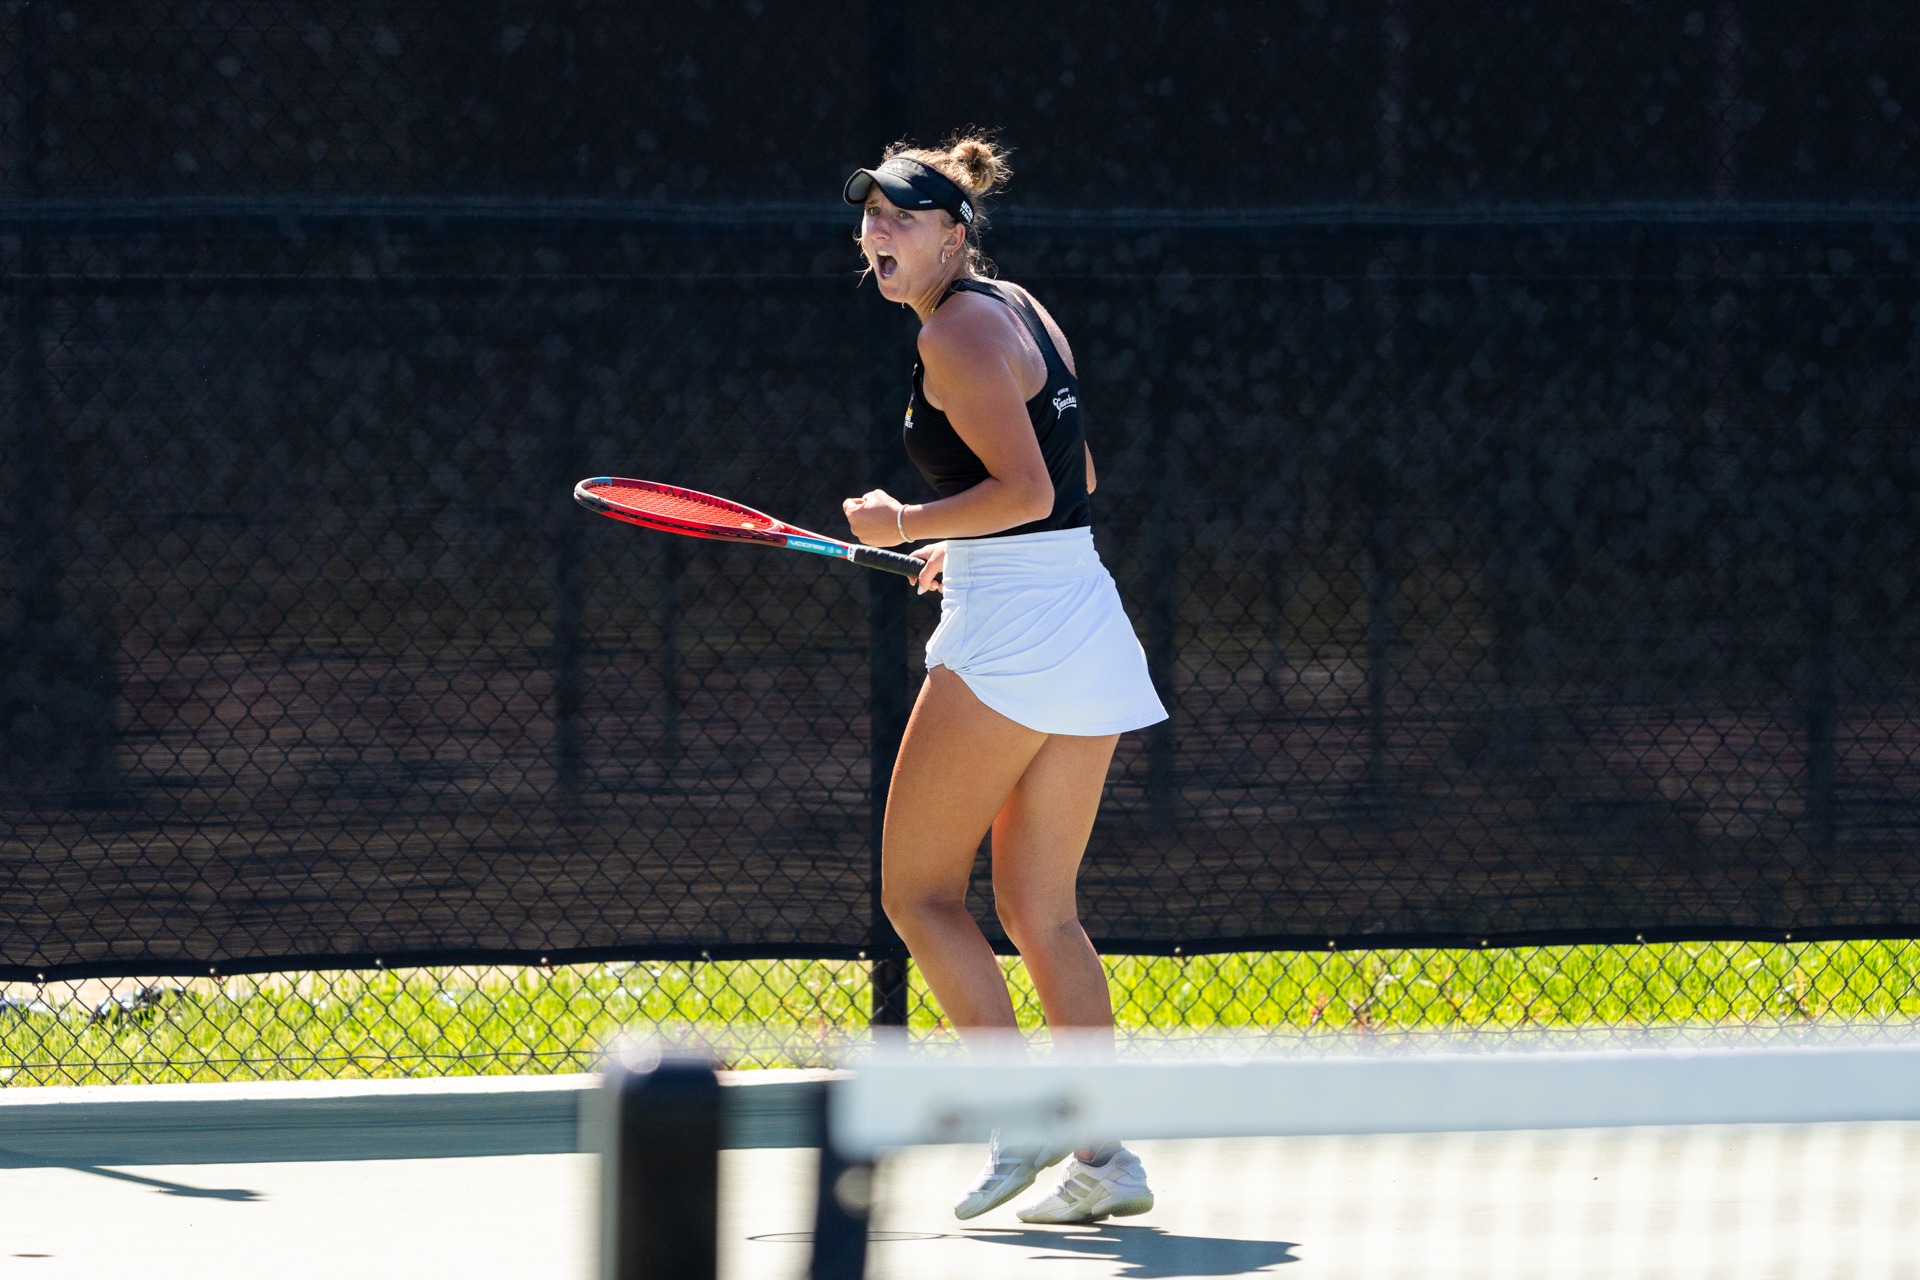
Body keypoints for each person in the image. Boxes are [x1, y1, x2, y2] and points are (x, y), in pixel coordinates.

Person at [840, 133, 1167, 1225]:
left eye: (899, 216)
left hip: (1017, 632)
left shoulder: (955, 335)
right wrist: (960, 545)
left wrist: (906, 521)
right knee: (1041, 910)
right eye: (870, 217)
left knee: (917, 892)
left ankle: (1019, 1110)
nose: (876, 233)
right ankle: (1104, 1157)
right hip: (1078, 606)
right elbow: (1075, 477)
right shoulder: (1017, 307)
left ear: (953, 231)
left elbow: (1025, 487)